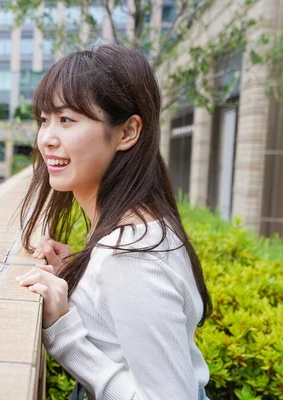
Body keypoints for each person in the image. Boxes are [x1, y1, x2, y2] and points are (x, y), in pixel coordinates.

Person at [16, 45, 212, 400]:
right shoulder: (131, 227)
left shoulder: (131, 254)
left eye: (67, 119)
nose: (47, 138)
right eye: (44, 119)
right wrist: (79, 279)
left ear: (127, 132)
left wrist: (63, 332)